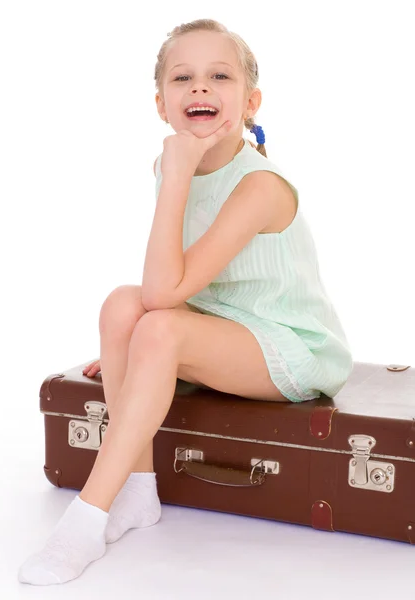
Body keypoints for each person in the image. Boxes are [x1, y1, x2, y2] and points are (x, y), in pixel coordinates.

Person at [18, 18, 353, 586]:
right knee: (120, 310)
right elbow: (160, 287)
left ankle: (87, 516)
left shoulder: (259, 188)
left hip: (288, 347)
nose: (200, 88)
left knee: (155, 326)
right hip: (221, 324)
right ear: (160, 104)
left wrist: (176, 176)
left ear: (250, 102)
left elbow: (164, 296)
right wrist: (124, 351)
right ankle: (139, 491)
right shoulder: (169, 165)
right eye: (183, 77)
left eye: (219, 76)